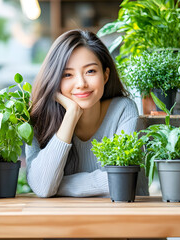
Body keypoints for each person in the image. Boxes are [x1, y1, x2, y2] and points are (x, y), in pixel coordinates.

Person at [26, 29, 149, 198]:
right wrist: (71, 115)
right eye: (67, 74)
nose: (81, 83)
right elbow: (43, 186)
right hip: (63, 220)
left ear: (105, 75)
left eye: (90, 71)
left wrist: (59, 184)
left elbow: (121, 179)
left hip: (124, 218)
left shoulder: (123, 110)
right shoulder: (39, 120)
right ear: (54, 79)